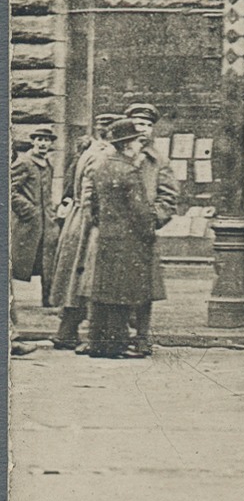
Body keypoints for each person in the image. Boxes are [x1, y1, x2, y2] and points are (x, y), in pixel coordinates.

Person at [85, 120, 163, 359]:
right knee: (123, 292)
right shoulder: (130, 171)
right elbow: (140, 212)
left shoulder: (101, 168)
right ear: (128, 145)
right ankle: (117, 345)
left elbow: (94, 207)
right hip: (130, 240)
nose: (139, 146)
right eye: (137, 141)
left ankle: (97, 343)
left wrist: (106, 225)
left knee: (103, 291)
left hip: (107, 237)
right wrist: (150, 232)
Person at [47, 114, 121, 349]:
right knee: (88, 278)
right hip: (89, 221)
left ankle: (66, 332)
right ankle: (93, 336)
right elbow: (94, 192)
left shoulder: (90, 150)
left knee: (75, 278)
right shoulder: (105, 154)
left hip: (78, 219)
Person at [122, 105, 177, 356]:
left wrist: (153, 218)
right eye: (137, 124)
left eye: (146, 125)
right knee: (116, 285)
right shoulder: (118, 154)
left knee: (144, 288)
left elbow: (169, 196)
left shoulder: (160, 160)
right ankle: (120, 335)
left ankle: (142, 338)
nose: (141, 129)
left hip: (144, 233)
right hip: (118, 231)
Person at [11, 126, 59, 305]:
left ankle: (48, 300)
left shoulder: (48, 164)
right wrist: (28, 210)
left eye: (47, 140)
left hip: (47, 223)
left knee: (49, 261)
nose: (43, 144)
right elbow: (9, 189)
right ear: (33, 142)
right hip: (28, 224)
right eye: (39, 139)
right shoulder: (24, 162)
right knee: (15, 263)